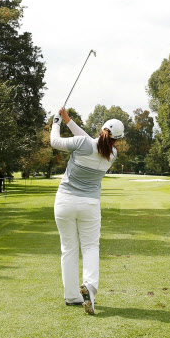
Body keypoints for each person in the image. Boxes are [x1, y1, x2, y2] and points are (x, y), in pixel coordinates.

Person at [50, 107, 124, 314]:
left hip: (65, 202)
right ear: (117, 140)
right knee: (90, 247)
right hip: (89, 205)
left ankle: (72, 295)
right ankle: (89, 288)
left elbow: (55, 142)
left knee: (69, 248)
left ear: (101, 130)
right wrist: (68, 120)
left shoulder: (84, 144)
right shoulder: (112, 155)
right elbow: (90, 142)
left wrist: (56, 122)